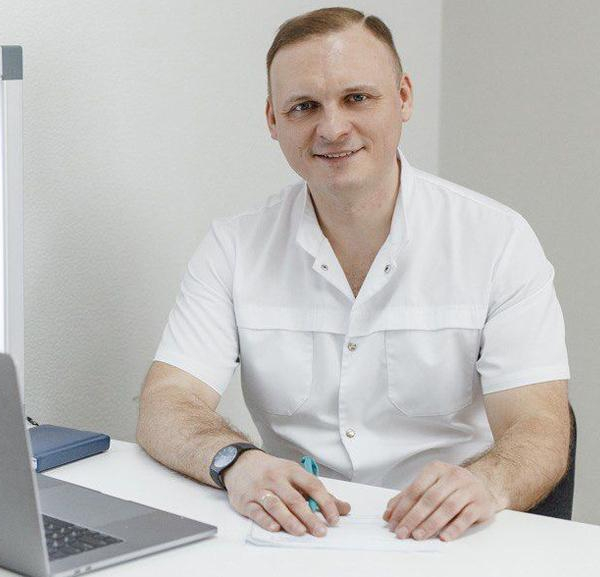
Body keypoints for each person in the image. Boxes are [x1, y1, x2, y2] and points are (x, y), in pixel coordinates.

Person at [136, 7, 571, 543]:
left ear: (403, 98)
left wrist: (487, 483)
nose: (332, 128)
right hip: (300, 536)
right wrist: (236, 461)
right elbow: (166, 401)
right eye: (304, 107)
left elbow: (540, 426)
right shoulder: (234, 246)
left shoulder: (498, 240)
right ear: (273, 120)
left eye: (357, 98)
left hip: (451, 541)